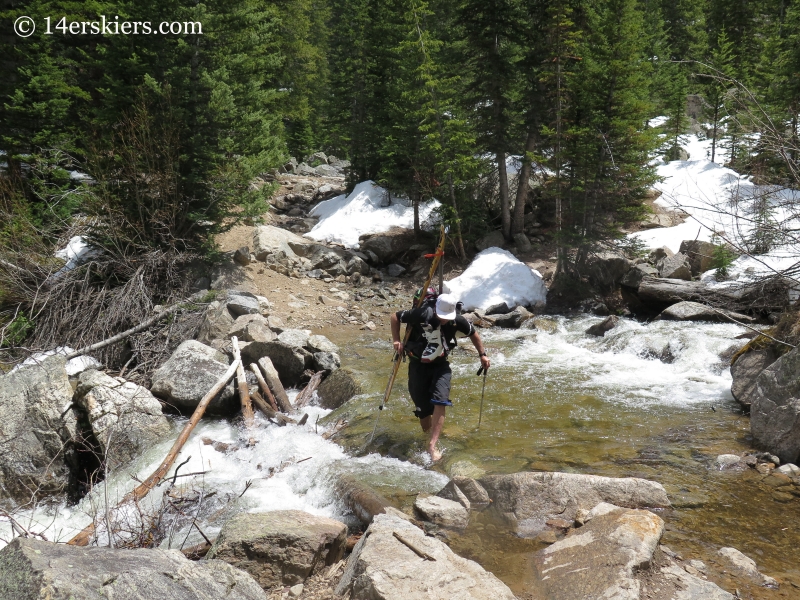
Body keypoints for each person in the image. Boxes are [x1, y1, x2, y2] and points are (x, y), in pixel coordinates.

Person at [390, 292, 490, 462]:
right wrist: (396, 340)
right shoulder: (422, 314)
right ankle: (427, 436)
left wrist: (482, 354)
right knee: (422, 409)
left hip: (441, 365)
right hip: (417, 365)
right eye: (441, 316)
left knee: (440, 400)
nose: (444, 320)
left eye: (447, 317)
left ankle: (432, 444)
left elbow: (473, 333)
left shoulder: (457, 319)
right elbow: (395, 317)